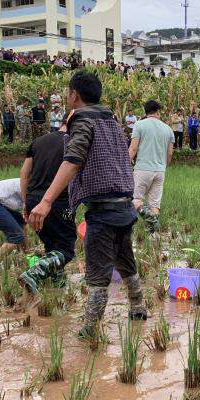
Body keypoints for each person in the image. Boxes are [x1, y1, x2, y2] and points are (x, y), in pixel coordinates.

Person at [27, 71, 147, 338]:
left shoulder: (82, 120)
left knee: (97, 271)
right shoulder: (112, 121)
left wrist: (46, 201)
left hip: (103, 210)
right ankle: (138, 307)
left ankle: (90, 329)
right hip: (123, 204)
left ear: (74, 95)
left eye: (67, 92)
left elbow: (73, 159)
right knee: (125, 258)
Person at [18, 121, 77, 290]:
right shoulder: (73, 142)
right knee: (65, 249)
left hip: (33, 200)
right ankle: (33, 273)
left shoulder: (38, 141)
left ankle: (58, 283)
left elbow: (24, 174)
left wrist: (26, 202)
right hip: (57, 201)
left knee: (52, 245)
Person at [129, 100, 174, 235]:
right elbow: (170, 154)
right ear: (158, 112)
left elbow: (133, 148)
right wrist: (163, 165)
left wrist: (124, 164)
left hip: (143, 169)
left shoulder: (139, 125)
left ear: (145, 111)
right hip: (160, 171)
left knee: (135, 199)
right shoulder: (168, 129)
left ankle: (150, 219)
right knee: (155, 205)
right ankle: (153, 236)